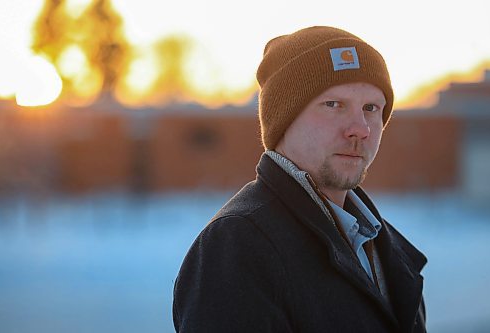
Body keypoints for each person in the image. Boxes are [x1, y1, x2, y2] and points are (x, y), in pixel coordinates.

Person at [173, 26, 427, 332]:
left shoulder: (384, 248)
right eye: (334, 104)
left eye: (371, 108)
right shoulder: (238, 247)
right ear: (284, 119)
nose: (361, 128)